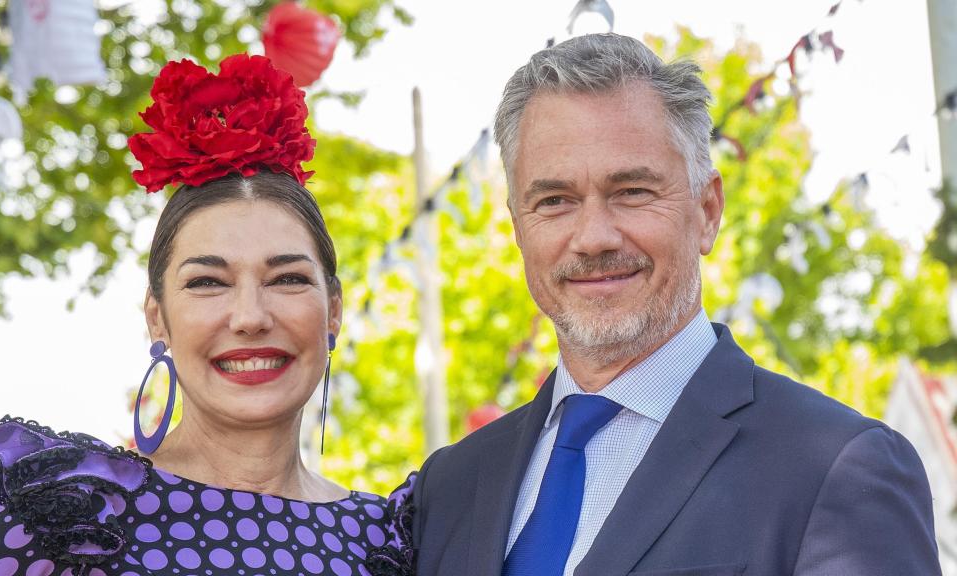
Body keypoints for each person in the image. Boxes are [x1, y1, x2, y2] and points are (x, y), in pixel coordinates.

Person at [369, 33, 943, 576]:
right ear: (518, 227)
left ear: (707, 211)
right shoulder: (451, 487)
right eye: (555, 200)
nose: (594, 237)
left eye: (632, 192)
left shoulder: (836, 467)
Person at [0, 54, 394, 575]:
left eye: (287, 278)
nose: (250, 317)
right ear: (157, 317)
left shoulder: (386, 537)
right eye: (207, 283)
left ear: (333, 310)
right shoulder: (61, 514)